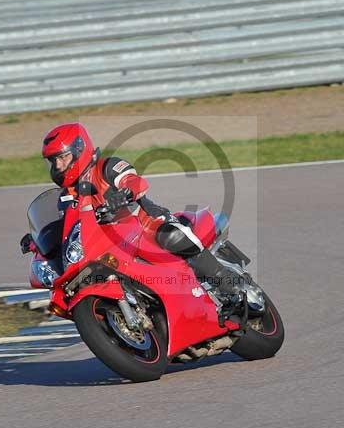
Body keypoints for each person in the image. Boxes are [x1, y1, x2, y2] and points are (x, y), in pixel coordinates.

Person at [30, 122, 244, 305]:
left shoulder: (107, 168)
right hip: (110, 246)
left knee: (171, 235)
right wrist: (40, 240)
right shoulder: (67, 196)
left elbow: (134, 181)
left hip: (146, 224)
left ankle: (228, 283)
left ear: (79, 149)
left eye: (62, 157)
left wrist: (125, 192)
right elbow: (67, 228)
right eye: (53, 161)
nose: (58, 165)